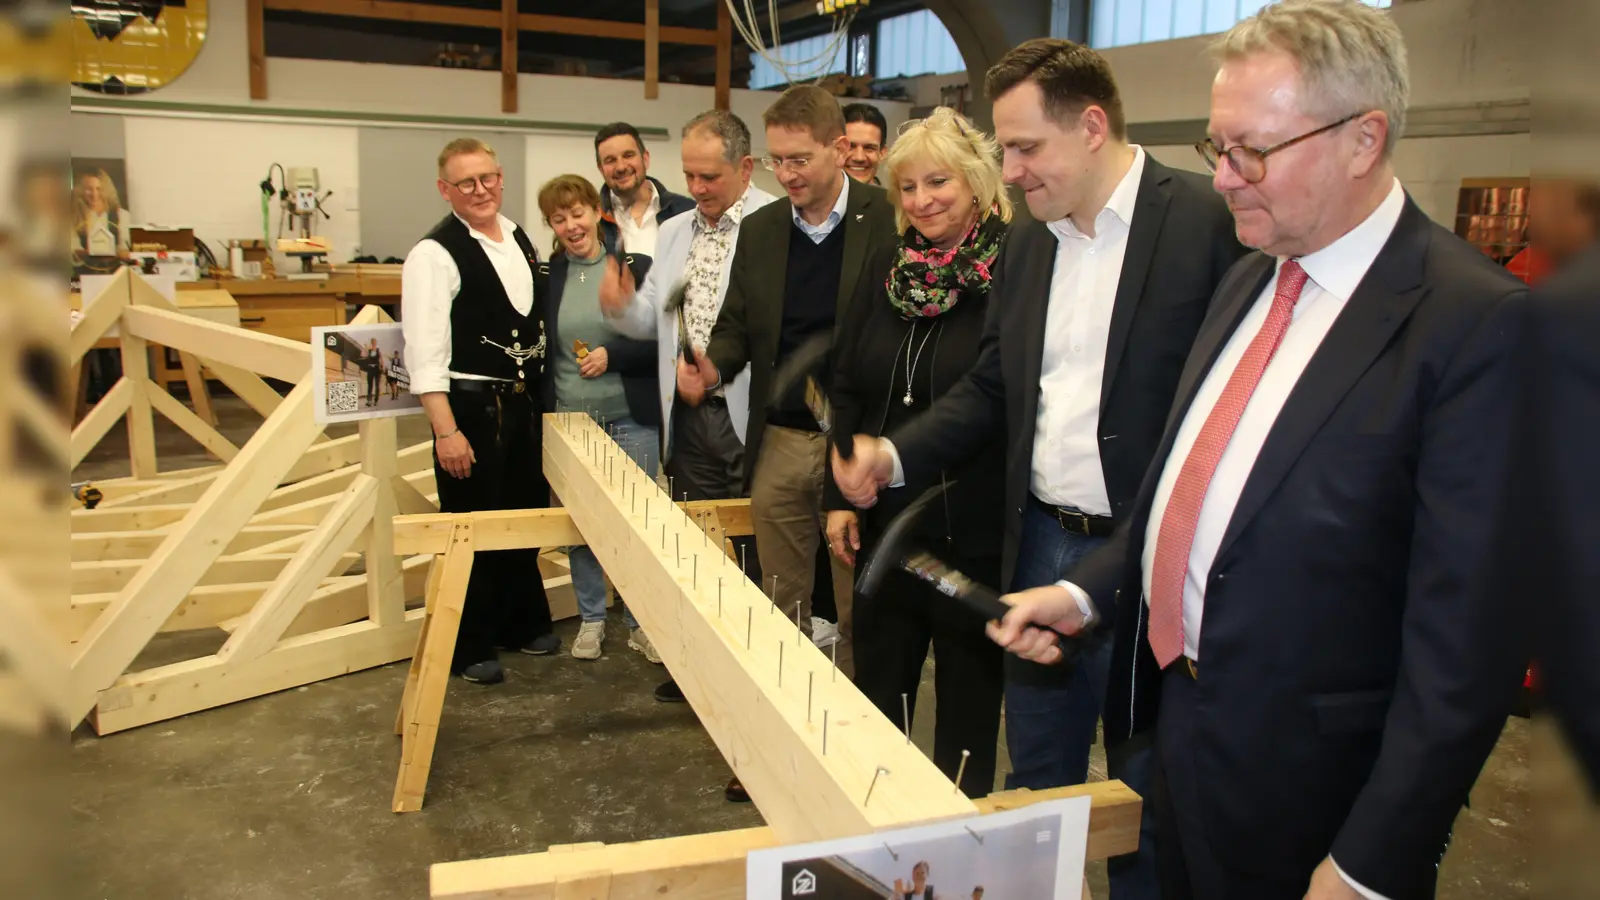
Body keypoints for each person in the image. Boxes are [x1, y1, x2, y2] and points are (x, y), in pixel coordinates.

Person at [985, 3, 1528, 897]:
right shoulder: (1252, 278)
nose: (1227, 179)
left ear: (1363, 139)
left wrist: (1371, 861)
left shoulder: (1474, 326)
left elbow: (1469, 650)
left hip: (1314, 791)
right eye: (1216, 149)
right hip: (1178, 731)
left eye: (1252, 152)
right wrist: (1090, 590)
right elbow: (1188, 496)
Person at [833, 37, 1245, 898]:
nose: (1010, 172)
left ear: (1092, 127)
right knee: (1042, 781)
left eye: (1025, 148)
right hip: (1040, 548)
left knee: (1146, 796)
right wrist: (895, 451)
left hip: (1149, 559)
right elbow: (991, 387)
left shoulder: (1208, 225)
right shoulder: (1032, 244)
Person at [677, 84, 899, 798]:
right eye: (777, 162)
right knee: (780, 598)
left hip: (855, 442)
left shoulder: (886, 222)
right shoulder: (765, 229)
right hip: (780, 439)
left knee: (861, 599)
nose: (790, 173)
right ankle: (780, 748)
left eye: (801, 158)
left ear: (840, 149)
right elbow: (741, 326)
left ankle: (867, 759)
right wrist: (714, 365)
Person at [822, 108, 1012, 798]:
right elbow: (847, 381)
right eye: (907, 187)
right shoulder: (888, 263)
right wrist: (837, 497)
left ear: (979, 184)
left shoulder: (1014, 268)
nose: (923, 200)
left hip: (974, 531)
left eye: (939, 183)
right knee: (877, 699)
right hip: (885, 526)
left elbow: (1004, 401)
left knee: (965, 720)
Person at [599, 109, 778, 704]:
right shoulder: (676, 230)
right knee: (700, 541)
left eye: (710, 177)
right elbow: (652, 313)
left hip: (750, 414)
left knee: (758, 547)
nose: (697, 189)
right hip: (689, 416)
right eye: (690, 176)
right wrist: (621, 304)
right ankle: (701, 662)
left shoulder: (775, 224)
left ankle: (755, 672)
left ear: (745, 167)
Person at [402, 137, 559, 685]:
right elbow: (424, 355)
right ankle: (467, 645)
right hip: (470, 410)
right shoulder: (433, 254)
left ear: (500, 177)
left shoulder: (517, 234)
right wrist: (446, 431)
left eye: (488, 177)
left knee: (520, 516)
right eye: (465, 183)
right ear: (445, 190)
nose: (480, 190)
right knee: (469, 525)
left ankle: (519, 623)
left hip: (522, 406)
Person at [534, 173, 663, 664]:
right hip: (573, 421)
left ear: (596, 212)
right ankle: (591, 619)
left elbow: (659, 338)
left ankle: (639, 621)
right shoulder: (550, 276)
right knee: (582, 528)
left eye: (577, 213)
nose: (571, 225)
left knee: (637, 525)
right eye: (558, 218)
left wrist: (614, 355)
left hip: (631, 418)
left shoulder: (637, 266)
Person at [595, 122, 695, 258]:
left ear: (645, 158)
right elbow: (580, 275)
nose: (621, 167)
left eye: (628, 155)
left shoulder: (688, 212)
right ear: (601, 169)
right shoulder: (592, 222)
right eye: (610, 160)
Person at [71, 168, 131, 273]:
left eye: (99, 189)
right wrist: (89, 253)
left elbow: (126, 249)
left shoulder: (122, 216)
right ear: (81, 190)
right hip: (83, 275)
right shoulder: (73, 217)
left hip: (116, 274)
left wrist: (120, 254)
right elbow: (72, 249)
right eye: (89, 189)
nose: (94, 194)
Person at [842, 102, 889, 185]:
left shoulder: (892, 198)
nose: (859, 158)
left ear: (882, 153)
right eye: (850, 147)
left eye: (869, 148)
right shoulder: (813, 197)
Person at [363, 338, 383, 406]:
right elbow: (363, 355)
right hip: (370, 369)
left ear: (376, 342)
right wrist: (365, 348)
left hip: (377, 369)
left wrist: (382, 366)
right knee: (370, 385)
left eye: (374, 342)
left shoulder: (378, 350)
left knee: (377, 386)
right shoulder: (369, 350)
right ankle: (369, 401)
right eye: (372, 342)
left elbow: (381, 359)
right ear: (371, 343)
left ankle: (376, 400)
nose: (373, 343)